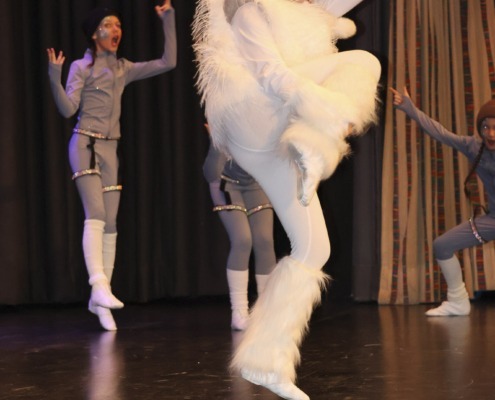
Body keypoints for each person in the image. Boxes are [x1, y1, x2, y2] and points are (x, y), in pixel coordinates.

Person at [193, 1, 381, 399]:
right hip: (254, 112)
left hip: (272, 138)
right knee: (363, 61)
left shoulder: (301, 14)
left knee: (314, 249)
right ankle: (315, 147)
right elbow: (272, 74)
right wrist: (325, 114)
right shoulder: (251, 11)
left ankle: (266, 362)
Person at [46, 1, 177, 331]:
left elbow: (169, 62)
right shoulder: (82, 67)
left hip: (110, 149)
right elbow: (67, 109)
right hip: (85, 144)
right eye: (108, 25)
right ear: (94, 34)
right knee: (96, 213)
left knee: (112, 222)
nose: (115, 30)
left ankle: (99, 299)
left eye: (118, 25)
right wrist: (54, 77)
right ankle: (99, 284)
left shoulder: (123, 68)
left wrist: (168, 20)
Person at [390, 87, 495, 317]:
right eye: (486, 127)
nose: (491, 134)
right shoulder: (474, 147)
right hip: (492, 220)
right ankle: (458, 301)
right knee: (442, 245)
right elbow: (441, 133)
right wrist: (410, 108)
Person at [203, 125, 276, 331]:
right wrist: (216, 142)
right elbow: (210, 173)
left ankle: (266, 311)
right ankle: (239, 311)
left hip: (255, 183)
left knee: (264, 240)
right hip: (225, 183)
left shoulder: (261, 121)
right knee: (243, 240)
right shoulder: (226, 117)